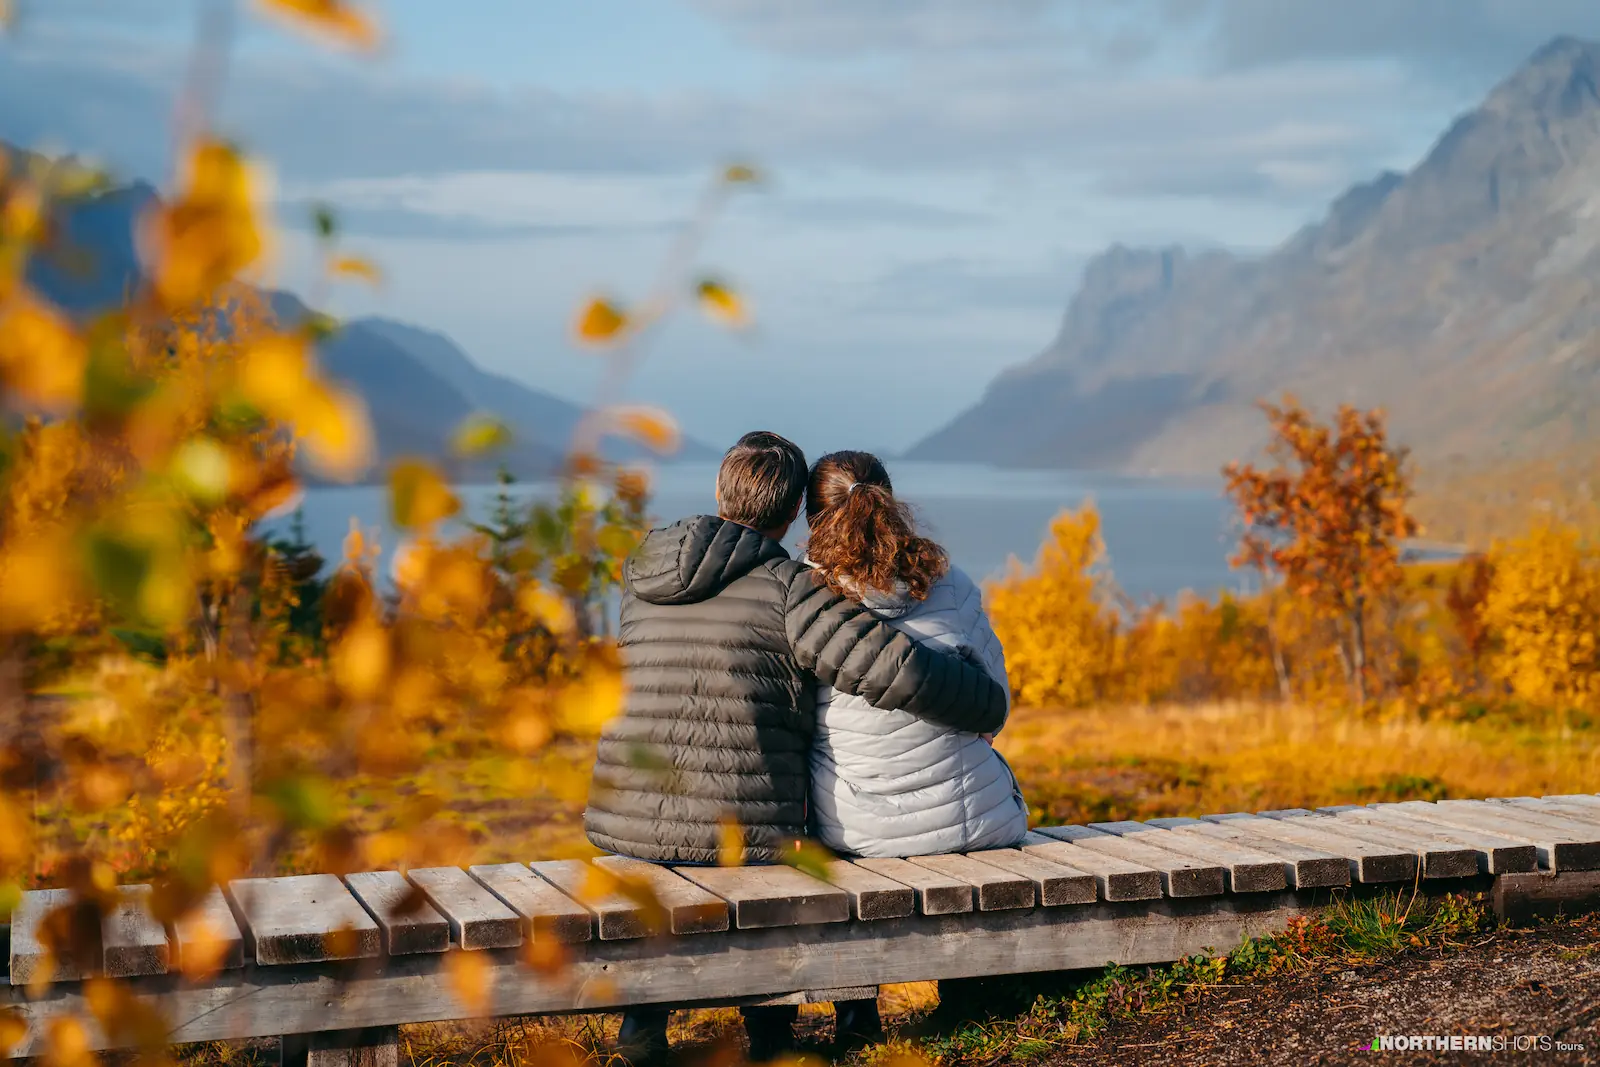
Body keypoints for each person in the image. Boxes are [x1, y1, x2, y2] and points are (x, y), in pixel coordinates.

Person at [584, 431, 1008, 1065]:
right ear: (790, 518)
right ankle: (774, 1037)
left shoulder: (641, 571)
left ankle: (641, 1033)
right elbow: (891, 668)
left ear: (721, 491)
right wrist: (984, 703)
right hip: (743, 829)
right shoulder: (788, 587)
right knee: (786, 851)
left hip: (627, 817)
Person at [802, 449, 1029, 1043]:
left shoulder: (804, 599)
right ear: (892, 502)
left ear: (811, 518)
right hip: (974, 820)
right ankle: (968, 996)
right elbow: (993, 704)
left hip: (857, 829)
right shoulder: (950, 583)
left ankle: (857, 1016)